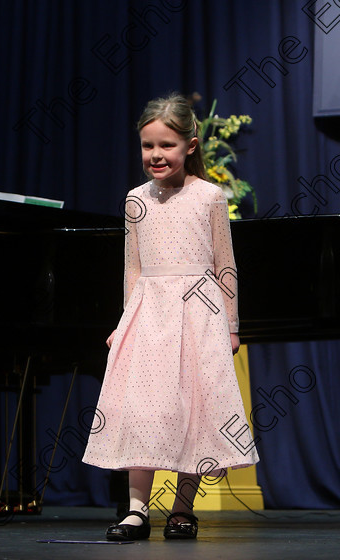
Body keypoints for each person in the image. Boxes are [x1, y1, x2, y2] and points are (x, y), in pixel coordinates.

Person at [82, 94, 259, 541]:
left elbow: (225, 264)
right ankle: (137, 509)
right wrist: (125, 323)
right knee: (141, 407)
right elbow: (132, 266)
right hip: (150, 312)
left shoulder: (209, 197)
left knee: (193, 409)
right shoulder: (135, 200)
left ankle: (182, 509)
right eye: (148, 146)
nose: (156, 155)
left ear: (191, 146)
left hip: (199, 315)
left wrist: (232, 325)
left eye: (166, 146)